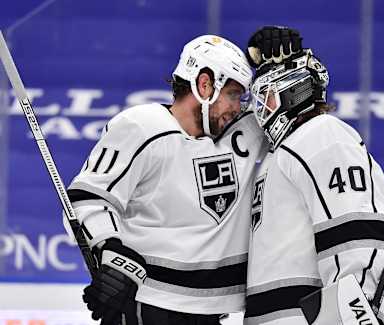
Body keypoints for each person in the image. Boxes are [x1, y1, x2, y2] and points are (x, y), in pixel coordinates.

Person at [63, 30, 302, 325]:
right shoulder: (141, 127)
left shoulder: (245, 132)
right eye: (233, 94)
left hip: (211, 314)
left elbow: (298, 102)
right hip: (147, 308)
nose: (238, 107)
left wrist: (288, 58)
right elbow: (87, 200)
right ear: (205, 84)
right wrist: (110, 253)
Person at [243, 44, 384, 324]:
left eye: (267, 95)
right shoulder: (280, 154)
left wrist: (355, 312)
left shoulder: (322, 136)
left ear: (294, 92)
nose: (260, 107)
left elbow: (354, 230)